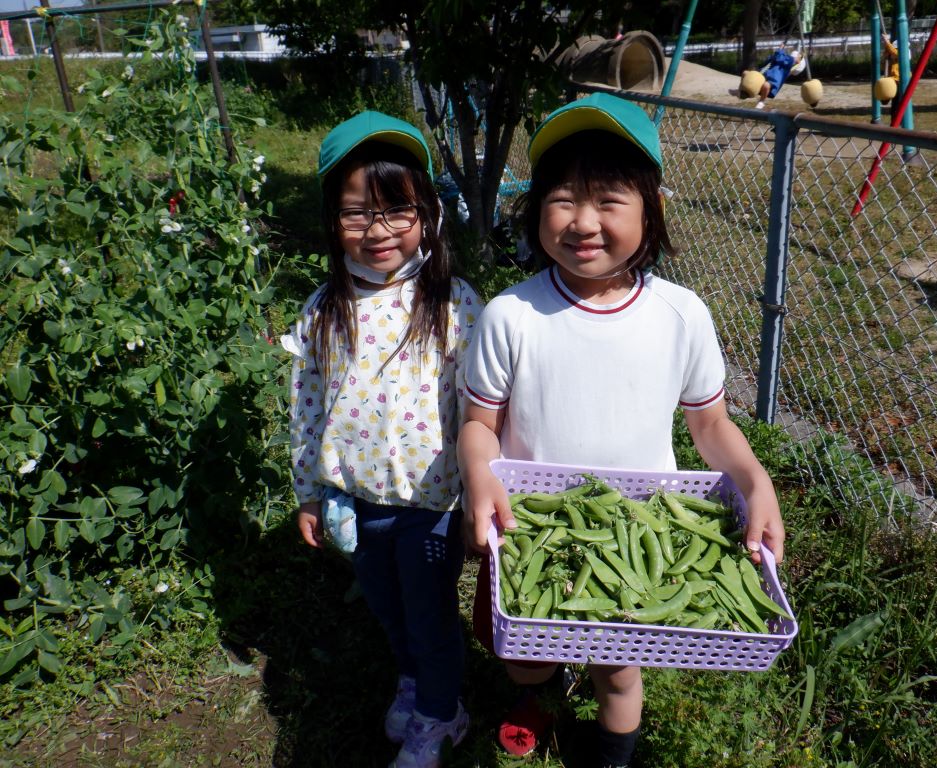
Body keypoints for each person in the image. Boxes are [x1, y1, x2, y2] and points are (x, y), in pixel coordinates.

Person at [457, 92, 786, 768]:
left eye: (609, 200)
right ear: (536, 208)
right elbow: (479, 425)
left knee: (621, 671)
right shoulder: (510, 316)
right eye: (562, 199)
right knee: (521, 655)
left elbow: (712, 423)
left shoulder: (680, 315)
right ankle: (541, 693)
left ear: (651, 211)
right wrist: (477, 474)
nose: (583, 221)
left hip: (640, 525)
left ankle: (612, 756)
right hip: (533, 528)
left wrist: (753, 478)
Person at [285, 110, 480, 768]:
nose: (377, 231)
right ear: (330, 221)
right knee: (388, 607)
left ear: (427, 213)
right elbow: (307, 407)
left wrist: (485, 493)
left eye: (396, 210)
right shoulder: (324, 309)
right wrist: (310, 492)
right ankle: (412, 677)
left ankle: (440, 712)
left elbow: (484, 412)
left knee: (430, 617)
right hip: (357, 501)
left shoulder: (454, 303)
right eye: (354, 213)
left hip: (433, 506)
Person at [756, 45, 804, 109]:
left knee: (766, 85)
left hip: (772, 81)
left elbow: (779, 58)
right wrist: (776, 54)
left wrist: (780, 49)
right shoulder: (784, 59)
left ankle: (761, 102)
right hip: (765, 76)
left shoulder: (790, 61)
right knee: (746, 74)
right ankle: (741, 92)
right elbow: (771, 59)